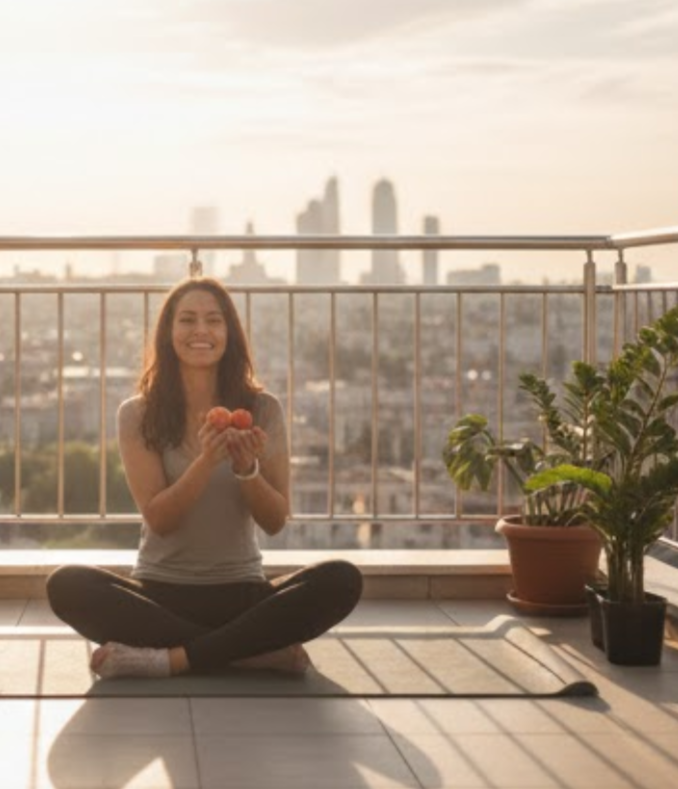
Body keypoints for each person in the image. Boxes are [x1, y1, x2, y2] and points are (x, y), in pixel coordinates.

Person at [46, 276, 363, 679]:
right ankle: (248, 650)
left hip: (242, 590)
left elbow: (275, 520)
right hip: (158, 591)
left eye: (214, 320)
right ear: (168, 332)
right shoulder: (137, 414)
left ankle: (170, 659)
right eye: (187, 320)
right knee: (66, 585)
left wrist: (246, 470)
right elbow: (160, 520)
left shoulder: (263, 409)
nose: (201, 331)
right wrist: (206, 461)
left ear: (229, 333)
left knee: (341, 580)